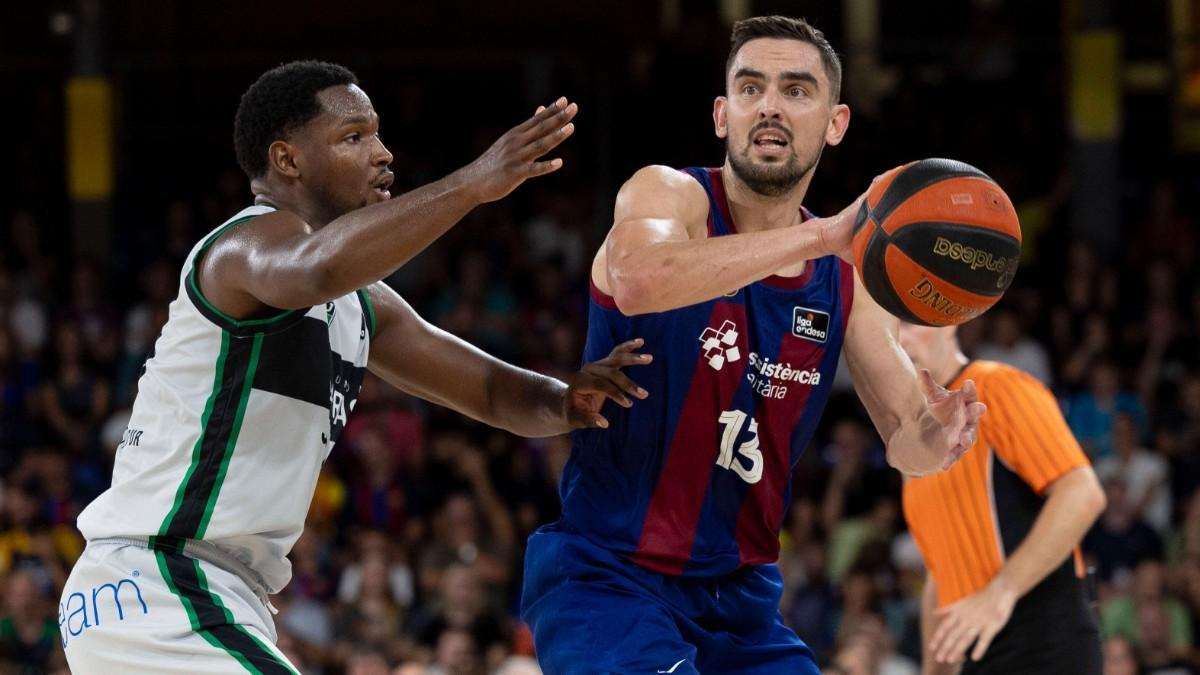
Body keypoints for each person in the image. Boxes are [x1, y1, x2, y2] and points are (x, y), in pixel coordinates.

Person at [59, 60, 647, 674]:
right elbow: (316, 268)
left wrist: (566, 400)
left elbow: (494, 392)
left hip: (216, 595)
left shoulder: (362, 304)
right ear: (287, 160)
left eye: (378, 133)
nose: (383, 153)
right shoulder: (240, 249)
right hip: (157, 583)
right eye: (354, 137)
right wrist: (473, 183)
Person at [520, 16, 985, 674]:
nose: (769, 105)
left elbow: (906, 436)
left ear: (835, 122)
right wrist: (821, 236)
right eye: (750, 87)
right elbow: (637, 278)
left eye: (796, 90)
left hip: (740, 604)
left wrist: (939, 438)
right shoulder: (670, 194)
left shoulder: (845, 277)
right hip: (610, 579)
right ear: (722, 113)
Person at [897, 321, 1107, 673]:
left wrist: (1000, 592)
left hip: (1043, 635)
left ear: (950, 322)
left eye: (910, 323)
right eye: (891, 327)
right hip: (981, 651)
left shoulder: (995, 386)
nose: (900, 338)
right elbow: (941, 572)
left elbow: (1082, 491)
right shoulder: (915, 446)